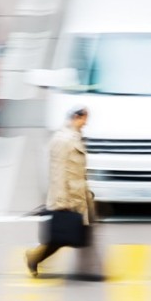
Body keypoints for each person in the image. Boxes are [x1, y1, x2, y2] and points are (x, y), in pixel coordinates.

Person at [26, 106, 97, 277]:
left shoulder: (74, 136)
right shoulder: (62, 140)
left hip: (79, 194)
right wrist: (61, 201)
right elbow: (57, 172)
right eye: (84, 119)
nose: (86, 123)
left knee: (83, 233)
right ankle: (34, 257)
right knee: (62, 237)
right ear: (76, 117)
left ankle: (88, 269)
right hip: (69, 197)